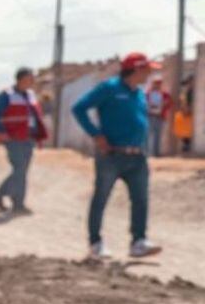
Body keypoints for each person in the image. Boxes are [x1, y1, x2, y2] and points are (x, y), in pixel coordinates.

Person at [72, 52, 162, 259]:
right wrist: (96, 135)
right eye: (147, 70)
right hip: (111, 155)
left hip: (137, 157)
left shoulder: (139, 93)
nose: (149, 74)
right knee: (101, 197)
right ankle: (95, 243)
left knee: (141, 199)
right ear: (136, 69)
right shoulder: (109, 88)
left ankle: (138, 242)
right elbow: (79, 108)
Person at [0, 66, 48, 213]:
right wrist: (2, 132)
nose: (32, 80)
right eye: (29, 78)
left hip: (28, 138)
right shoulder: (7, 95)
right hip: (13, 138)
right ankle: (18, 204)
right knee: (20, 169)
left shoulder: (31, 95)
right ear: (20, 79)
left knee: (21, 171)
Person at [146, 77, 171, 157]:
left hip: (160, 116)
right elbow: (142, 104)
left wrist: (165, 104)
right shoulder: (147, 93)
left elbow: (169, 103)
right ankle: (147, 153)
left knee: (158, 135)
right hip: (149, 116)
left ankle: (156, 153)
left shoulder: (164, 94)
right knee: (148, 135)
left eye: (159, 83)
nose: (157, 85)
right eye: (155, 83)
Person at [176, 90, 195, 154]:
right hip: (184, 118)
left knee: (187, 134)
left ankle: (186, 147)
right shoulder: (183, 96)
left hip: (187, 118)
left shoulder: (187, 96)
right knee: (184, 134)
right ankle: (185, 147)